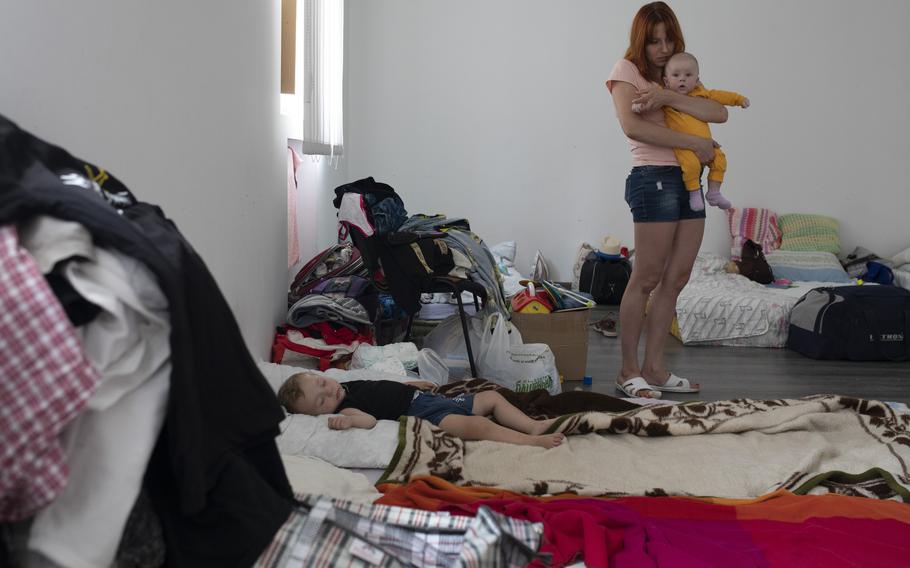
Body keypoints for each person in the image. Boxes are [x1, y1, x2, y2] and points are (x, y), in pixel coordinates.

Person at [606, 2, 728, 398]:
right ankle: (628, 371)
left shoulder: (677, 72)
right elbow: (631, 125)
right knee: (647, 278)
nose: (662, 47)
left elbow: (717, 110)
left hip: (689, 181)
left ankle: (655, 369)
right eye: (654, 40)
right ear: (640, 40)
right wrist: (695, 141)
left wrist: (668, 98)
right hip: (653, 179)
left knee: (676, 279)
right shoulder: (626, 71)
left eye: (668, 38)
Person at [276, 372, 566, 448]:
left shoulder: (345, 384)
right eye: (321, 401)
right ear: (321, 414)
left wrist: (410, 384)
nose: (329, 390)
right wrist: (346, 423)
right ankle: (532, 441)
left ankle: (531, 425)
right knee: (476, 427)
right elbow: (369, 421)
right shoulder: (347, 408)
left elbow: (379, 386)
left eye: (322, 382)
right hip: (426, 415)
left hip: (422, 397)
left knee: (490, 397)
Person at [634, 52, 749, 211]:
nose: (682, 79)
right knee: (691, 165)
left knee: (720, 159)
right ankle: (694, 193)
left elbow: (722, 96)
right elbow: (650, 101)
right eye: (676, 75)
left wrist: (739, 99)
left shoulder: (702, 94)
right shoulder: (665, 95)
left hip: (707, 144)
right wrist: (639, 106)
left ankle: (714, 192)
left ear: (697, 80)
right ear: (666, 81)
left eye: (688, 75)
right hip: (684, 146)